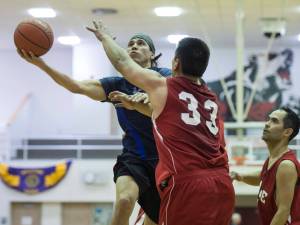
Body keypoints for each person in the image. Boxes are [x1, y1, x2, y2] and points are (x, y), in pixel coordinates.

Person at [87, 20, 235, 225]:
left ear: (175, 64)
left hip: (189, 182)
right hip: (222, 184)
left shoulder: (167, 86)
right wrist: (134, 105)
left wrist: (104, 37)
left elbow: (123, 63)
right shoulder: (210, 98)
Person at [17, 33, 172, 225]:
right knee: (124, 200)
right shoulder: (116, 84)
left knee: (155, 220)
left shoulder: (164, 76)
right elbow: (76, 86)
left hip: (164, 161)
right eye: (130, 44)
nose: (134, 46)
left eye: (141, 44)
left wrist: (149, 98)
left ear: (152, 54)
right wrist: (42, 65)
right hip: (134, 157)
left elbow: (169, 96)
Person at [231, 107, 300, 225]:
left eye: (274, 121)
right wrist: (240, 176)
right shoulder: (273, 160)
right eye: (268, 119)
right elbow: (264, 175)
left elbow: (283, 211)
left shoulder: (286, 165)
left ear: (287, 132)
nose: (267, 124)